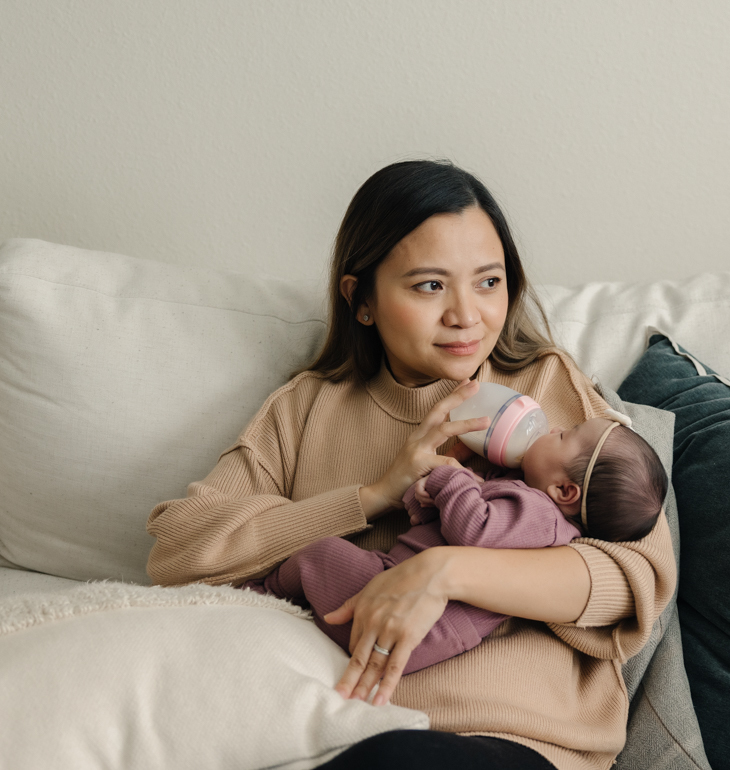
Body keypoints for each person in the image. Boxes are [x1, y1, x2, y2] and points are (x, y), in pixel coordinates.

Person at [146, 160, 675, 770]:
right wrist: (374, 493)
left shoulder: (543, 382)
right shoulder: (307, 408)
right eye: (429, 286)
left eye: (488, 282)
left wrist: (446, 571)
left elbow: (637, 578)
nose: (466, 316)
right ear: (362, 300)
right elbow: (177, 553)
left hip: (519, 738)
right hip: (340, 728)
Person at [242, 412, 668, 675]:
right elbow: (458, 524)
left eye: (565, 435)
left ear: (565, 491)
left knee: (322, 554)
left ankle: (265, 592)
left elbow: (473, 531)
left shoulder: (538, 514)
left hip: (420, 621)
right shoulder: (527, 507)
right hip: (414, 615)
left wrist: (452, 477)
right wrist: (424, 496)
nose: (555, 426)